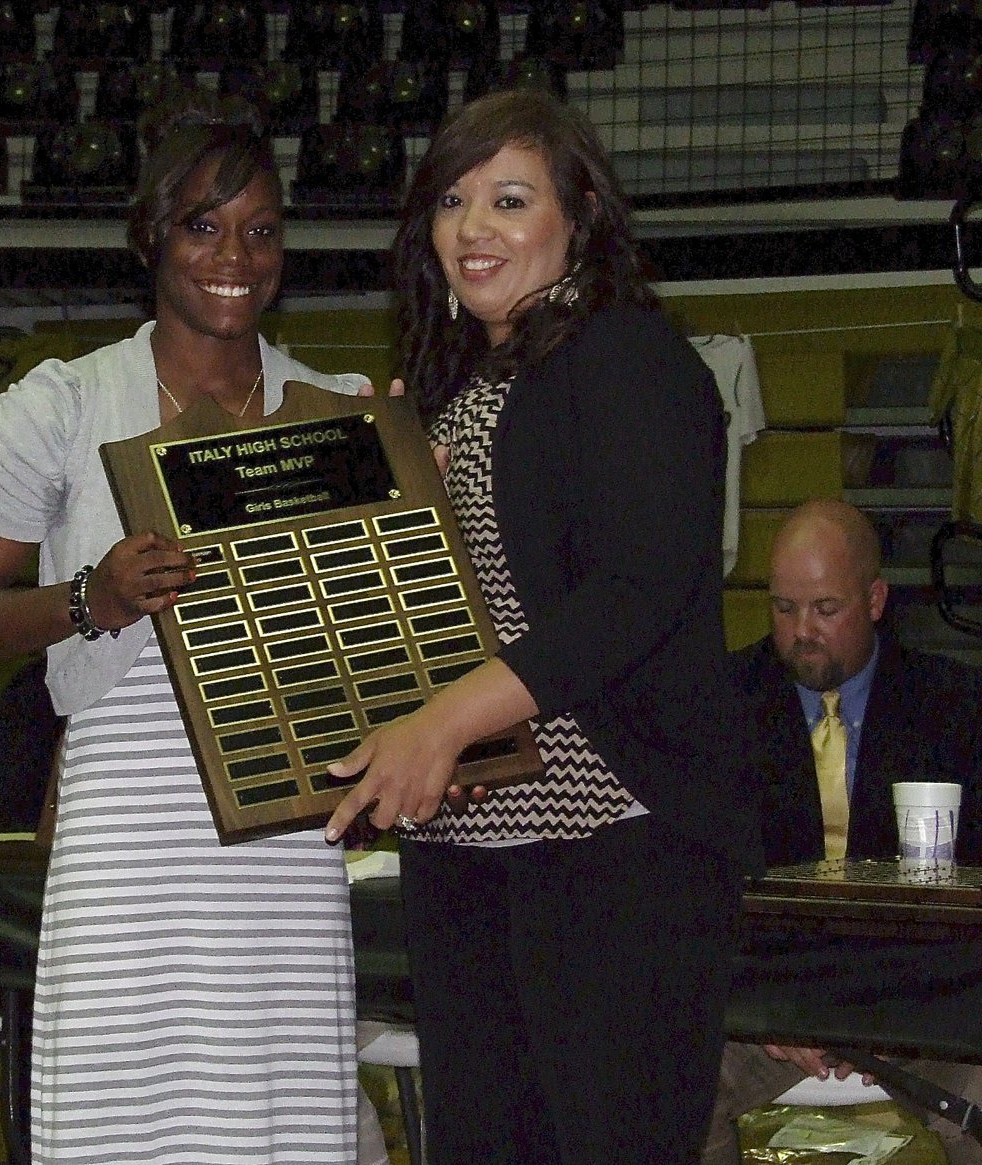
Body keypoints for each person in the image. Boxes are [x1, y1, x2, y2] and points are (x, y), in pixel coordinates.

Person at [0, 96, 389, 1165]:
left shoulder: (339, 412)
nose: (235, 255)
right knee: (123, 1130)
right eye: (202, 224)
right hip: (125, 835)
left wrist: (416, 518)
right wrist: (90, 598)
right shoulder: (62, 404)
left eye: (262, 229)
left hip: (283, 847)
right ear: (151, 236)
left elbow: (374, 646)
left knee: (275, 1132)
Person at [323, 88, 758, 1164]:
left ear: (579, 216)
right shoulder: (456, 384)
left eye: (509, 199)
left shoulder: (627, 357)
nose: (474, 229)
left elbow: (638, 588)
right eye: (452, 201)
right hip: (470, 846)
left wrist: (439, 725)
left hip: (611, 840)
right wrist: (380, 491)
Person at [703, 497, 982, 1165]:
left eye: (826, 609)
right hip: (761, 1009)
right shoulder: (718, 704)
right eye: (783, 607)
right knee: (651, 1092)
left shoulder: (956, 706)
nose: (802, 630)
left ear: (877, 599)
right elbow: (691, 888)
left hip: (920, 1010)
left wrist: (898, 1012)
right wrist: (767, 1010)